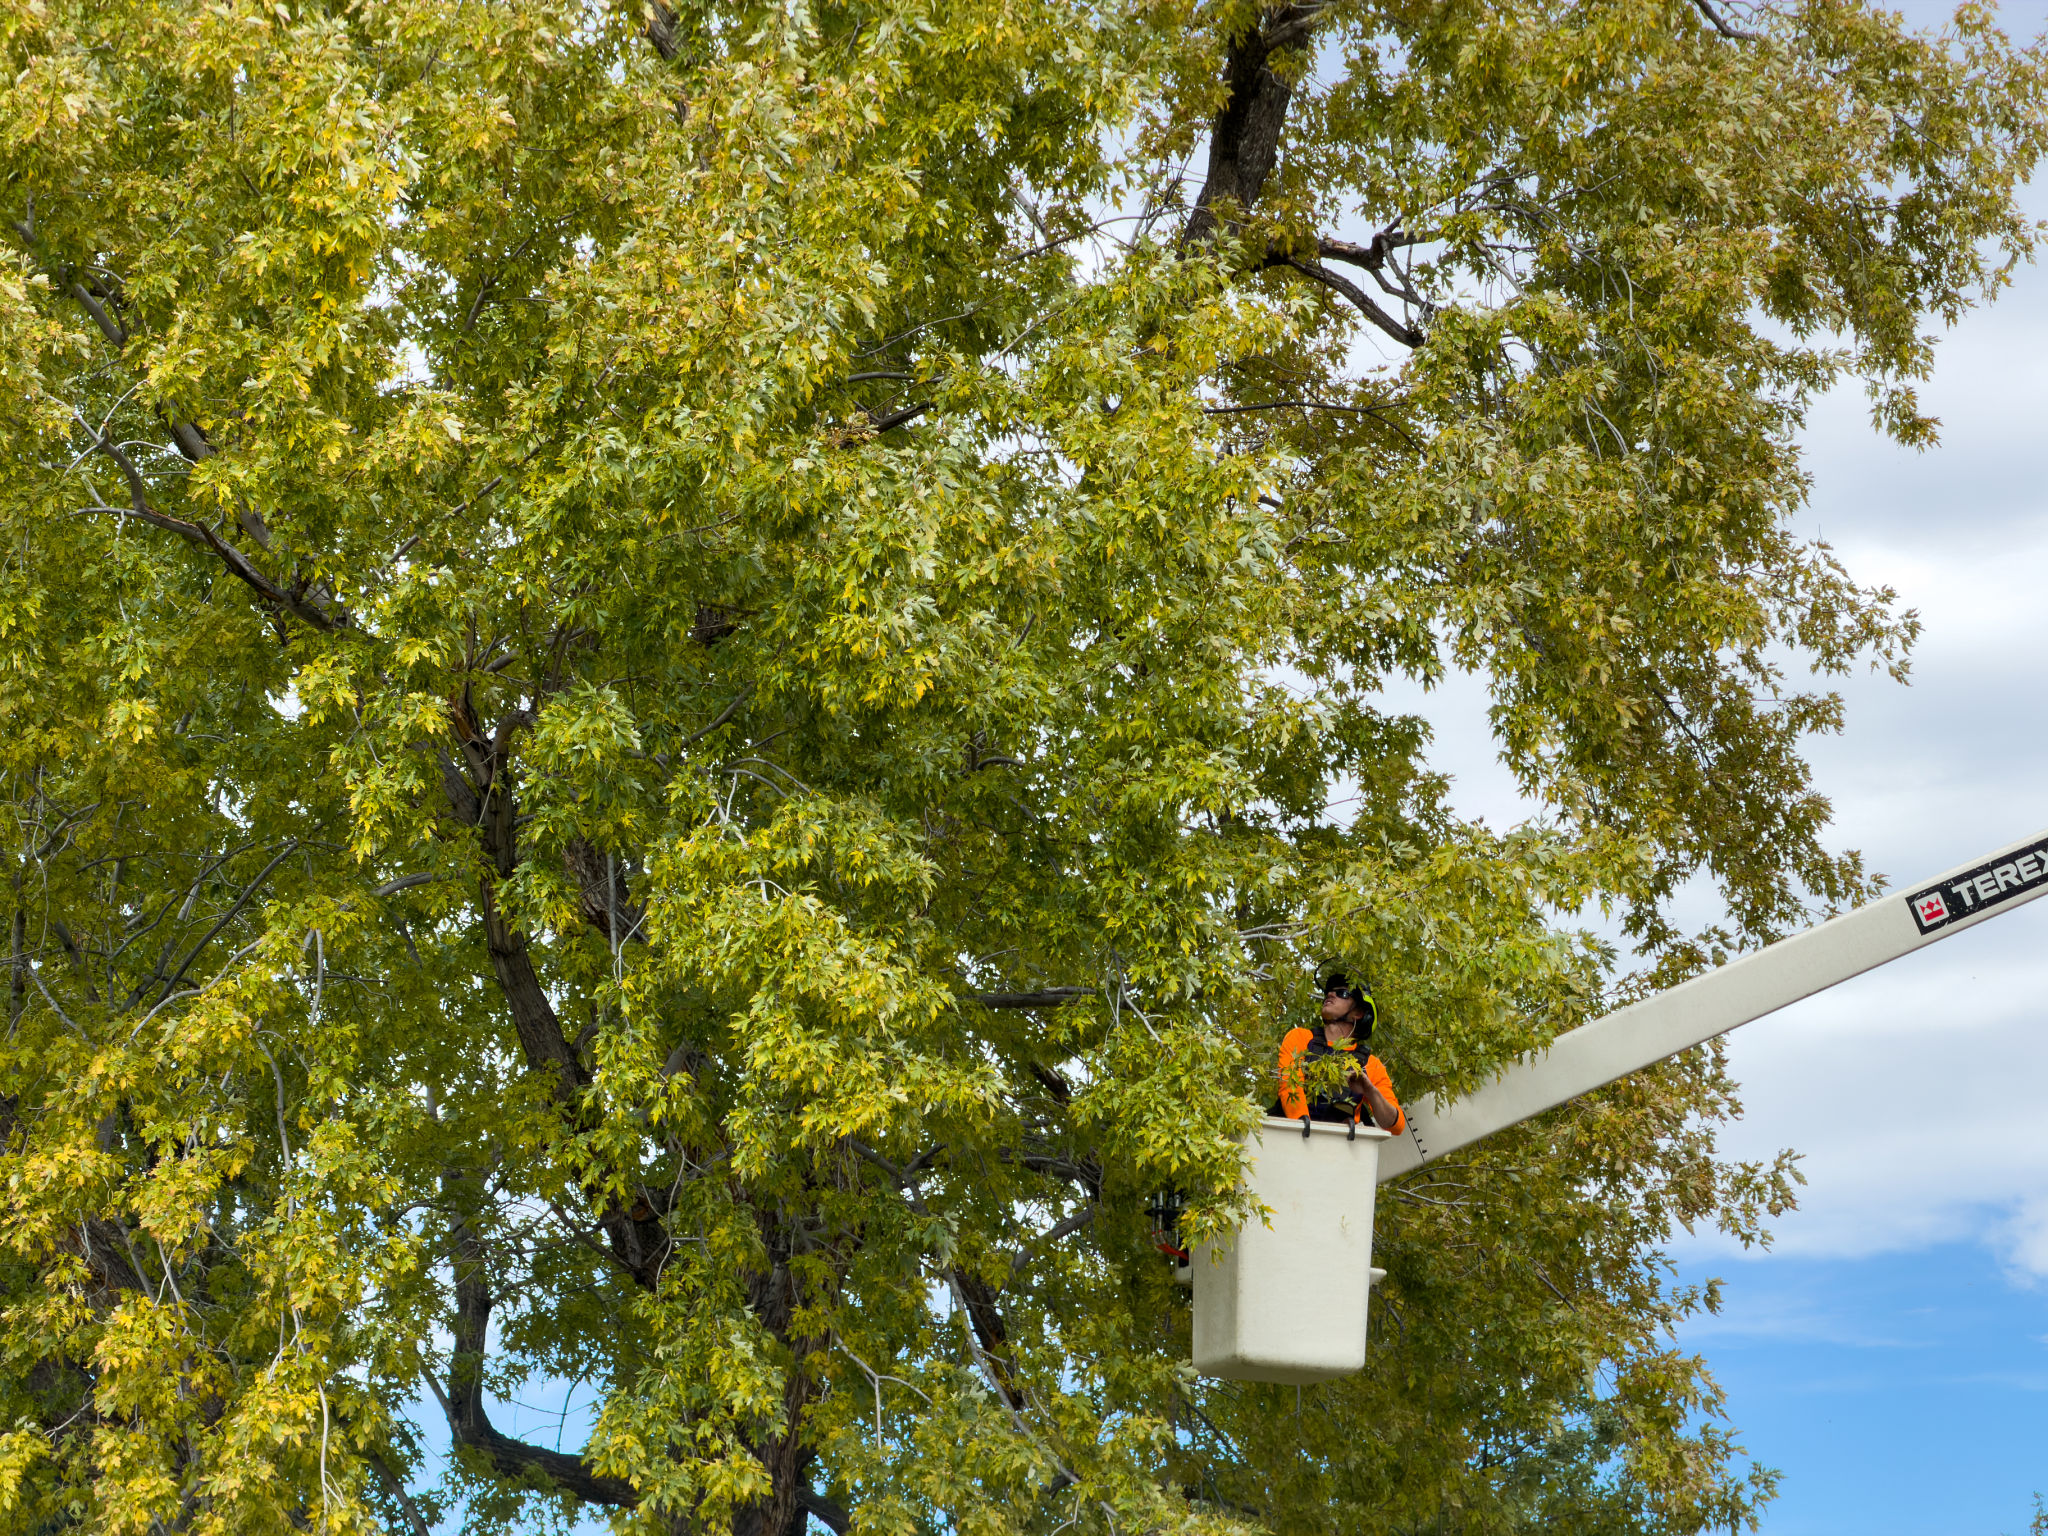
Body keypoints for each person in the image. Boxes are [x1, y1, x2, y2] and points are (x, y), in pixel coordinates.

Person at [1272, 971, 1404, 1133]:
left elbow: (1396, 1126)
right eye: (1330, 991)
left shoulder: (1370, 1065)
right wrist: (1302, 1125)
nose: (1330, 994)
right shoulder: (1300, 1038)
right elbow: (1289, 1085)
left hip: (1339, 1144)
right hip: (1290, 1137)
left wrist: (1370, 1091)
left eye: (1342, 993)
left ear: (1358, 1013)